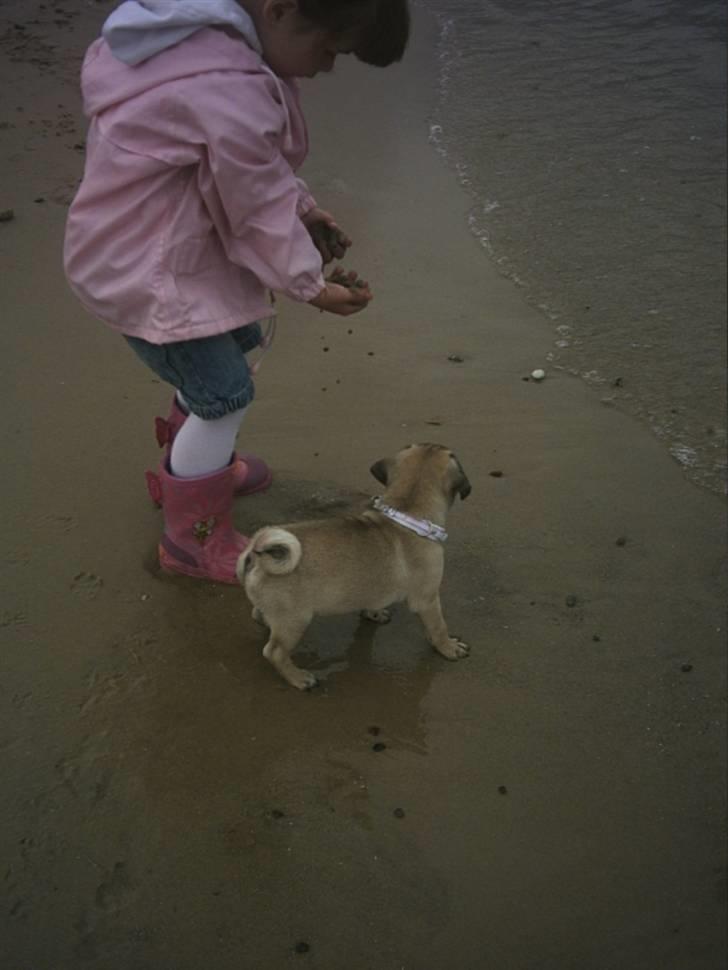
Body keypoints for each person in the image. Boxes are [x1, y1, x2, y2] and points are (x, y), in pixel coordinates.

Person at [63, 0, 410, 583]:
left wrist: (302, 210)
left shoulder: (191, 43)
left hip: (142, 245)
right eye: (328, 49)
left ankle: (195, 465)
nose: (326, 67)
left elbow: (250, 168)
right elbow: (253, 206)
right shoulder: (229, 86)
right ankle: (192, 541)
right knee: (224, 395)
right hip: (154, 273)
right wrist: (311, 286)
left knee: (224, 355)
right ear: (279, 10)